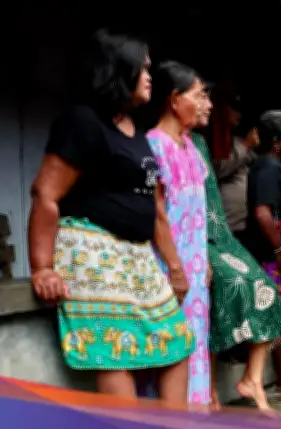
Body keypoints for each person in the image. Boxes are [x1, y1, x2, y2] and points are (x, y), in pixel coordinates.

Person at [28, 30, 193, 401]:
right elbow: (46, 193)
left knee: (177, 344)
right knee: (115, 350)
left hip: (136, 255)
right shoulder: (83, 121)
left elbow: (153, 208)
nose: (150, 76)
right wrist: (42, 267)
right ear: (121, 70)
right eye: (144, 68)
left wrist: (175, 267)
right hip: (92, 248)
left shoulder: (137, 132)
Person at [192, 95, 281, 412]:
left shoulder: (202, 143)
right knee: (218, 295)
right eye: (200, 96)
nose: (208, 104)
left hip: (222, 236)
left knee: (266, 290)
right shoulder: (197, 144)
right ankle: (208, 389)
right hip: (194, 240)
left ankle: (252, 378)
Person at [147, 61, 213, 406]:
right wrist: (175, 269)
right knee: (171, 351)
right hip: (169, 271)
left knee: (194, 344)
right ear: (175, 99)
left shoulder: (190, 147)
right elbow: (158, 213)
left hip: (195, 272)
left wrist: (204, 261)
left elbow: (198, 213)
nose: (208, 104)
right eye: (200, 95)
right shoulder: (155, 146)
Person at [240, 110, 281, 397]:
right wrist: (279, 249)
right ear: (278, 141)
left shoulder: (276, 165)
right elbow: (263, 213)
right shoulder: (266, 167)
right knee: (279, 314)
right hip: (270, 253)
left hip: (279, 250)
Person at [214, 94, 258, 241]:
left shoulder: (237, 140)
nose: (239, 113)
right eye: (234, 107)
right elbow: (218, 170)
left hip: (244, 222)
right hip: (227, 224)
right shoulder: (212, 140)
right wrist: (245, 146)